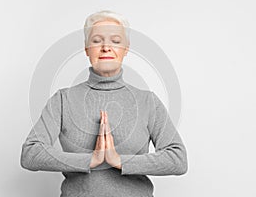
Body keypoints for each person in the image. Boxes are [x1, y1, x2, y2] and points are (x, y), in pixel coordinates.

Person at [20, 10, 188, 197]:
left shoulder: (147, 101)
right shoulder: (63, 100)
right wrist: (90, 160)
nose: (106, 47)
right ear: (86, 48)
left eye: (115, 41)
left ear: (126, 49)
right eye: (97, 40)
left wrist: (119, 161)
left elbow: (178, 159)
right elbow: (30, 154)